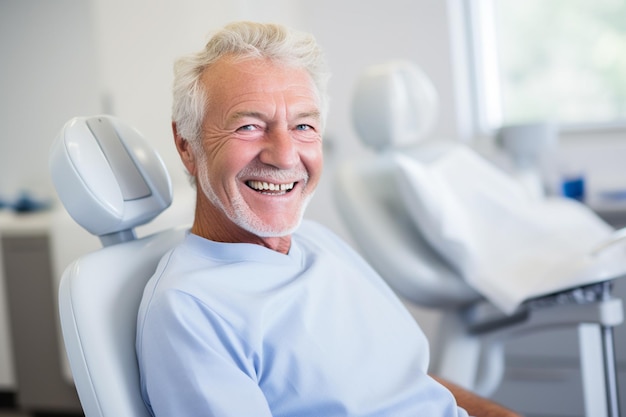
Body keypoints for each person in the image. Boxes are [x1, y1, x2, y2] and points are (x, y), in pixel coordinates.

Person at [136, 20, 520, 417]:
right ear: (186, 144)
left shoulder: (319, 242)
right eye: (249, 126)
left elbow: (411, 382)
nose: (284, 156)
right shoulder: (190, 309)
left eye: (303, 126)